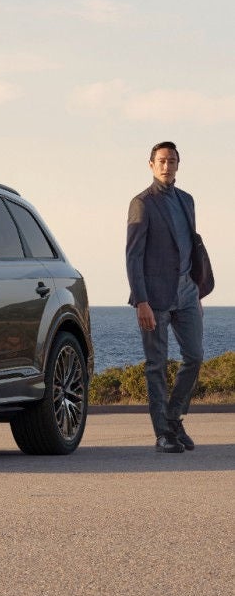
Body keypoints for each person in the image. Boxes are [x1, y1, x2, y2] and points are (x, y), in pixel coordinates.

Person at [125, 141, 204, 453]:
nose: (166, 166)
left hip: (187, 291)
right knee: (156, 364)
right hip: (154, 297)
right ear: (151, 165)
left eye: (171, 161)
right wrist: (140, 300)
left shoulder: (187, 200)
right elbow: (133, 256)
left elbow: (192, 247)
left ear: (177, 164)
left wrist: (197, 290)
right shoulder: (142, 203)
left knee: (195, 356)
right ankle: (163, 434)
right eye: (161, 161)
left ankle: (174, 416)